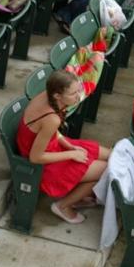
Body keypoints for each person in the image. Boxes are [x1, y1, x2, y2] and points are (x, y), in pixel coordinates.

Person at [17, 70, 111, 225]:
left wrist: (69, 145)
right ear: (57, 96)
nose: (78, 95)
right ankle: (63, 206)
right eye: (73, 93)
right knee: (106, 171)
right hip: (45, 163)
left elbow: (51, 133)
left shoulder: (48, 96)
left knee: (109, 155)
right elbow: (35, 157)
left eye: (78, 90)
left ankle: (77, 196)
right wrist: (71, 155)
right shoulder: (51, 118)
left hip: (54, 144)